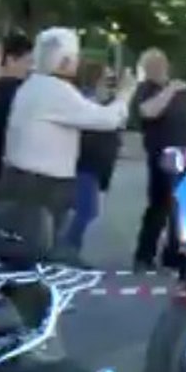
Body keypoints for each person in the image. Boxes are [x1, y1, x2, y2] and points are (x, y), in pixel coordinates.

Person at [1, 28, 136, 238]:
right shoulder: (56, 90)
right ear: (64, 61)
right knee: (38, 243)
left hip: (20, 177)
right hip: (43, 184)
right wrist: (125, 94)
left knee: (18, 240)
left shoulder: (32, 85)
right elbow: (108, 120)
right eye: (75, 58)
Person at [132, 48, 186, 273]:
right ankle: (144, 255)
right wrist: (170, 89)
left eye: (161, 63)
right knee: (160, 205)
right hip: (162, 154)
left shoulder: (180, 91)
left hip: (182, 152)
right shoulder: (146, 89)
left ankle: (174, 253)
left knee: (179, 206)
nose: (159, 68)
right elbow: (148, 111)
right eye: (153, 65)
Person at [64, 59, 123, 252]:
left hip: (93, 165)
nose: (110, 83)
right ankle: (67, 249)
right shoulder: (85, 101)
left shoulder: (99, 101)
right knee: (86, 210)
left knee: (84, 210)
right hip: (83, 164)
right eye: (107, 79)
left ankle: (68, 248)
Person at [0, 33, 34, 213]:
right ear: (11, 60)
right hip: (17, 166)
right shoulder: (20, 92)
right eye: (27, 61)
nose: (30, 67)